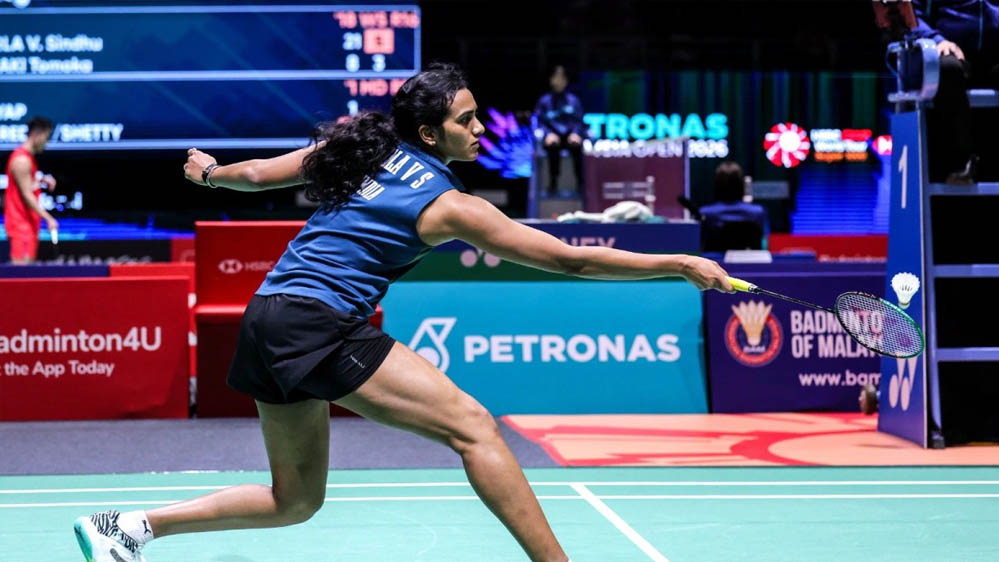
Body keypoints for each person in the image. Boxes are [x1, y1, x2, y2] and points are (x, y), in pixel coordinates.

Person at [73, 63, 733, 562]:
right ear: (429, 133)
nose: (480, 129)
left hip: (268, 314)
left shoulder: (356, 154)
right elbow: (569, 261)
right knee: (475, 428)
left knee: (295, 500)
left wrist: (208, 172)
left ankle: (128, 528)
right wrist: (676, 264)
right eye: (467, 121)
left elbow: (255, 177)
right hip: (318, 321)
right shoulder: (449, 206)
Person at [910, 0, 999, 183]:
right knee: (947, 69)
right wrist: (936, 39)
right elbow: (911, 14)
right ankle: (961, 162)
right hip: (947, 49)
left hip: (994, 52)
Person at [4, 116, 58, 264]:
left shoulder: (27, 158)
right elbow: (26, 195)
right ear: (36, 134)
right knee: (21, 275)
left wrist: (40, 180)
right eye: (46, 137)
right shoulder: (22, 160)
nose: (46, 143)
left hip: (28, 226)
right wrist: (48, 218)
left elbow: (25, 185)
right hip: (21, 228)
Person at [533, 65, 586, 194]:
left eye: (562, 78)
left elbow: (579, 121)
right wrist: (548, 134)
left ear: (566, 81)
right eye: (556, 78)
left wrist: (575, 133)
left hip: (569, 137)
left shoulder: (573, 100)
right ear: (551, 80)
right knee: (553, 147)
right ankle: (553, 182)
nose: (559, 81)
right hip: (552, 137)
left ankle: (580, 184)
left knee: (577, 147)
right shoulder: (544, 101)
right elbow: (539, 121)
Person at [698, 161, 766, 252]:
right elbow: (764, 245)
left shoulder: (705, 213)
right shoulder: (758, 212)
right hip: (750, 260)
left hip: (712, 261)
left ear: (716, 185)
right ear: (741, 184)